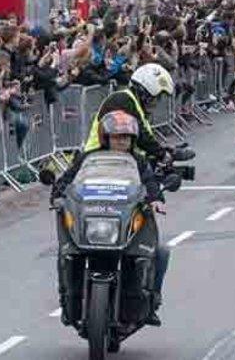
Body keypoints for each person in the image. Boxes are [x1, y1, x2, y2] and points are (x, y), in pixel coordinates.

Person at [53, 111, 169, 326]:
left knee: (161, 251)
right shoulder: (87, 158)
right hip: (92, 219)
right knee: (66, 253)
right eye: (117, 137)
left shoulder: (139, 161)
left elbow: (150, 183)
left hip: (125, 219)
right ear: (106, 138)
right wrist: (58, 196)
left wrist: (156, 199)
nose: (122, 141)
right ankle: (67, 299)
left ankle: (152, 301)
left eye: (126, 137)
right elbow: (67, 180)